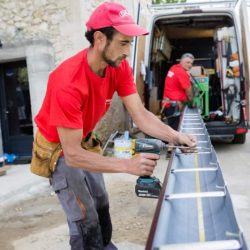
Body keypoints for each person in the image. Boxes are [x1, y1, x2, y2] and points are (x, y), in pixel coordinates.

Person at [32, 3, 197, 250]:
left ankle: (105, 245)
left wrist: (175, 135)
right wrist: (126, 165)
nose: (127, 51)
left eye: (130, 43)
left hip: (83, 139)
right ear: (99, 38)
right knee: (84, 215)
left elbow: (140, 115)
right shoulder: (67, 82)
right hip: (60, 150)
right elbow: (73, 155)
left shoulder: (117, 67)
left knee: (101, 200)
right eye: (123, 43)